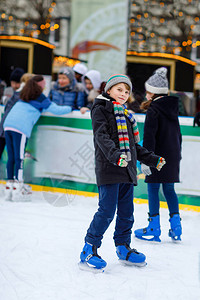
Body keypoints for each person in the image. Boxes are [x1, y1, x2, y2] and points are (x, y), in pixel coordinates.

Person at [79, 74, 166, 271]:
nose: (123, 94)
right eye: (119, 90)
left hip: (127, 170)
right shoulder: (100, 109)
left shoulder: (126, 115)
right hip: (109, 168)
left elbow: (135, 147)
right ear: (108, 90)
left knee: (127, 213)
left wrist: (153, 159)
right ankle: (88, 248)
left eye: (127, 91)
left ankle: (123, 247)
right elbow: (102, 138)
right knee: (107, 210)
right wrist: (115, 155)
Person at [3, 75, 72, 201]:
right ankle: (18, 187)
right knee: (19, 158)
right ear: (39, 86)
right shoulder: (40, 97)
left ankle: (9, 186)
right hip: (20, 127)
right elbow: (56, 110)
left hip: (8, 125)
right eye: (44, 84)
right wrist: (71, 108)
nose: (45, 86)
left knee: (12, 157)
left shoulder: (24, 93)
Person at [134, 67, 182, 242]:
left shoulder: (154, 109)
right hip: (173, 156)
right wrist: (178, 156)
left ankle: (154, 227)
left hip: (157, 158)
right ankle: (176, 227)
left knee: (153, 188)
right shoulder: (172, 109)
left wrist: (147, 160)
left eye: (148, 92)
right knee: (169, 189)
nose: (146, 95)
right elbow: (178, 135)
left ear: (153, 92)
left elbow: (149, 138)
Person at [0, 73, 34, 160]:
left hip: (7, 128)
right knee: (14, 156)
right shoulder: (22, 95)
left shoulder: (18, 94)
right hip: (10, 129)